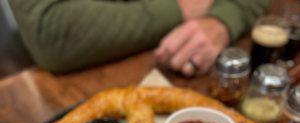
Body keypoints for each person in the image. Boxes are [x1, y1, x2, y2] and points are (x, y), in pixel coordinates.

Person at [9, 0, 270, 75]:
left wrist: (224, 19)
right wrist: (184, 8)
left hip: (211, 63)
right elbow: (50, 31)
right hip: (84, 72)